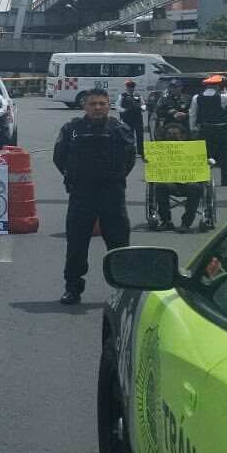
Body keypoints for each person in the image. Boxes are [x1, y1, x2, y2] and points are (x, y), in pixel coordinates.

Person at [54, 88, 138, 305]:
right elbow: (59, 157)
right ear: (85, 106)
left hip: (112, 193)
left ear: (109, 105)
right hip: (82, 194)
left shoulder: (121, 129)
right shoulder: (71, 129)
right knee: (76, 244)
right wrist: (75, 176)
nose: (98, 108)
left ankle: (123, 290)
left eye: (102, 103)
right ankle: (72, 288)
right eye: (93, 104)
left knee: (119, 244)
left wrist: (113, 178)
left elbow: (129, 159)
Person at [189, 74, 227, 186]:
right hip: (221, 129)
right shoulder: (225, 97)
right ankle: (226, 179)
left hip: (205, 129)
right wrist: (225, 91)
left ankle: (201, 179)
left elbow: (192, 114)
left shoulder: (197, 97)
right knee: (224, 154)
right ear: (218, 86)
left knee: (204, 155)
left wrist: (193, 128)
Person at [117, 80, 145, 158]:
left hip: (137, 118)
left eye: (132, 86)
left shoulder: (138, 96)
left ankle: (141, 152)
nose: (130, 88)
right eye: (128, 86)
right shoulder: (122, 96)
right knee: (128, 136)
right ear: (126, 87)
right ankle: (130, 152)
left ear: (134, 87)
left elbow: (144, 107)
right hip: (127, 119)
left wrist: (140, 107)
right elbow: (118, 106)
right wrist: (124, 110)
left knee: (140, 136)